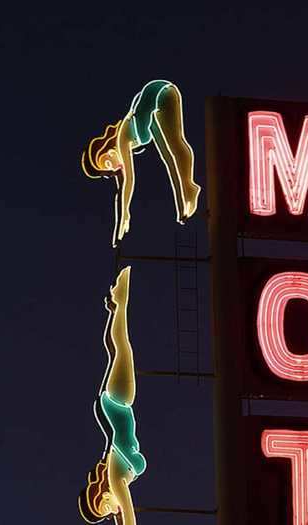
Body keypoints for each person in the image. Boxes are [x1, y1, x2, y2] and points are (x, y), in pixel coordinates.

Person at [82, 80, 201, 246]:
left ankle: (189, 188)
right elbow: (122, 186)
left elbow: (129, 181)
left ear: (108, 152)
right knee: (168, 157)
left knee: (176, 145)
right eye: (108, 170)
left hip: (162, 93)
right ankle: (184, 200)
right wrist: (123, 214)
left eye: (107, 163)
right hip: (151, 113)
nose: (114, 167)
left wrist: (123, 216)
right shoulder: (124, 147)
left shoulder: (122, 139)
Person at [79, 267, 146, 525]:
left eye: (105, 505)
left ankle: (121, 299)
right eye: (108, 512)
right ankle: (116, 305)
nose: (112, 508)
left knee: (122, 345)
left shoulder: (117, 478)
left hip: (118, 403)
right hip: (119, 405)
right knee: (118, 347)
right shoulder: (120, 475)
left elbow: (128, 517)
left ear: (102, 494)